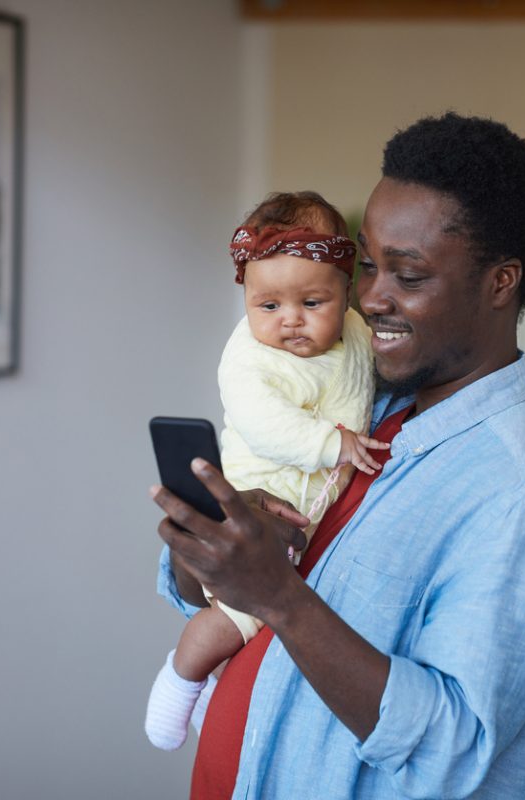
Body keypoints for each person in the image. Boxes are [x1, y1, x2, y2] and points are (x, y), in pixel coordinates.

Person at [152, 112, 525, 799]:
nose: (369, 296)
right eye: (367, 263)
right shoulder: (369, 413)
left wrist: (281, 595)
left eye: (409, 275)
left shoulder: (524, 500)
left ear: (501, 283)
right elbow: (213, 606)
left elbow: (449, 755)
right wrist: (209, 550)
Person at [145, 192, 388, 751]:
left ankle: (210, 690)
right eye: (269, 306)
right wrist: (332, 443)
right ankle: (180, 678)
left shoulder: (356, 335)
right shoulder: (248, 358)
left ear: (346, 293)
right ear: (247, 300)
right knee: (232, 619)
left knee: (261, 625)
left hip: (311, 509)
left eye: (312, 301)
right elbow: (264, 424)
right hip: (267, 498)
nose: (291, 321)